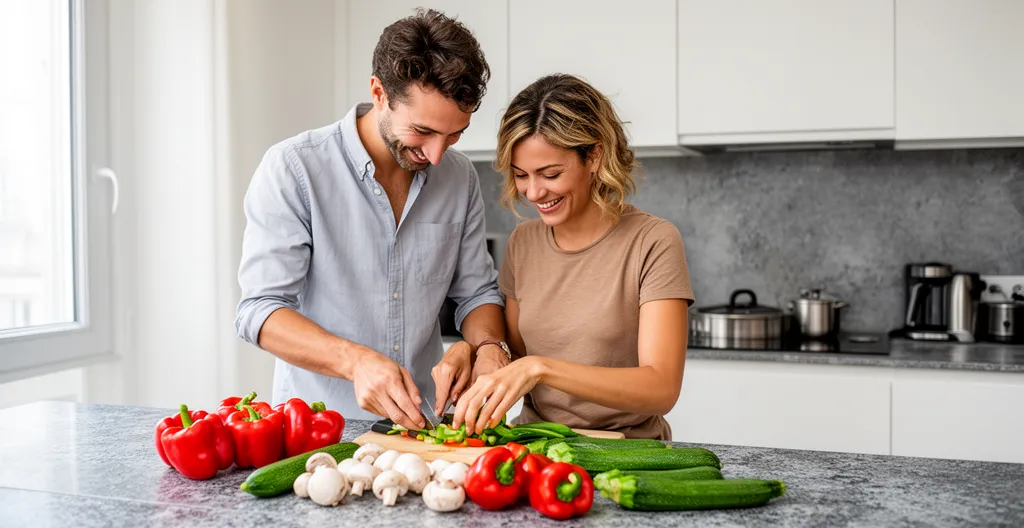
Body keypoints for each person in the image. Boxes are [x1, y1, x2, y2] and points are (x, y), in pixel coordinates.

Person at [235, 9, 511, 432]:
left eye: (454, 135)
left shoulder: (458, 177)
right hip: (317, 429)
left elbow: (476, 293)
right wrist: (354, 361)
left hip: (421, 428)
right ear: (379, 92)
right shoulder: (295, 169)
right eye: (422, 131)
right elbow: (260, 311)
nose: (437, 155)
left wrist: (489, 346)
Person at [452, 74, 694, 440]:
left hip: (627, 454)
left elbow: (661, 388)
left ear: (594, 156)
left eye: (550, 174)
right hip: (535, 448)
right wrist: (470, 354)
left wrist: (543, 369)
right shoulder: (524, 242)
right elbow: (516, 356)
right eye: (521, 175)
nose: (534, 192)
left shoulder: (653, 241)